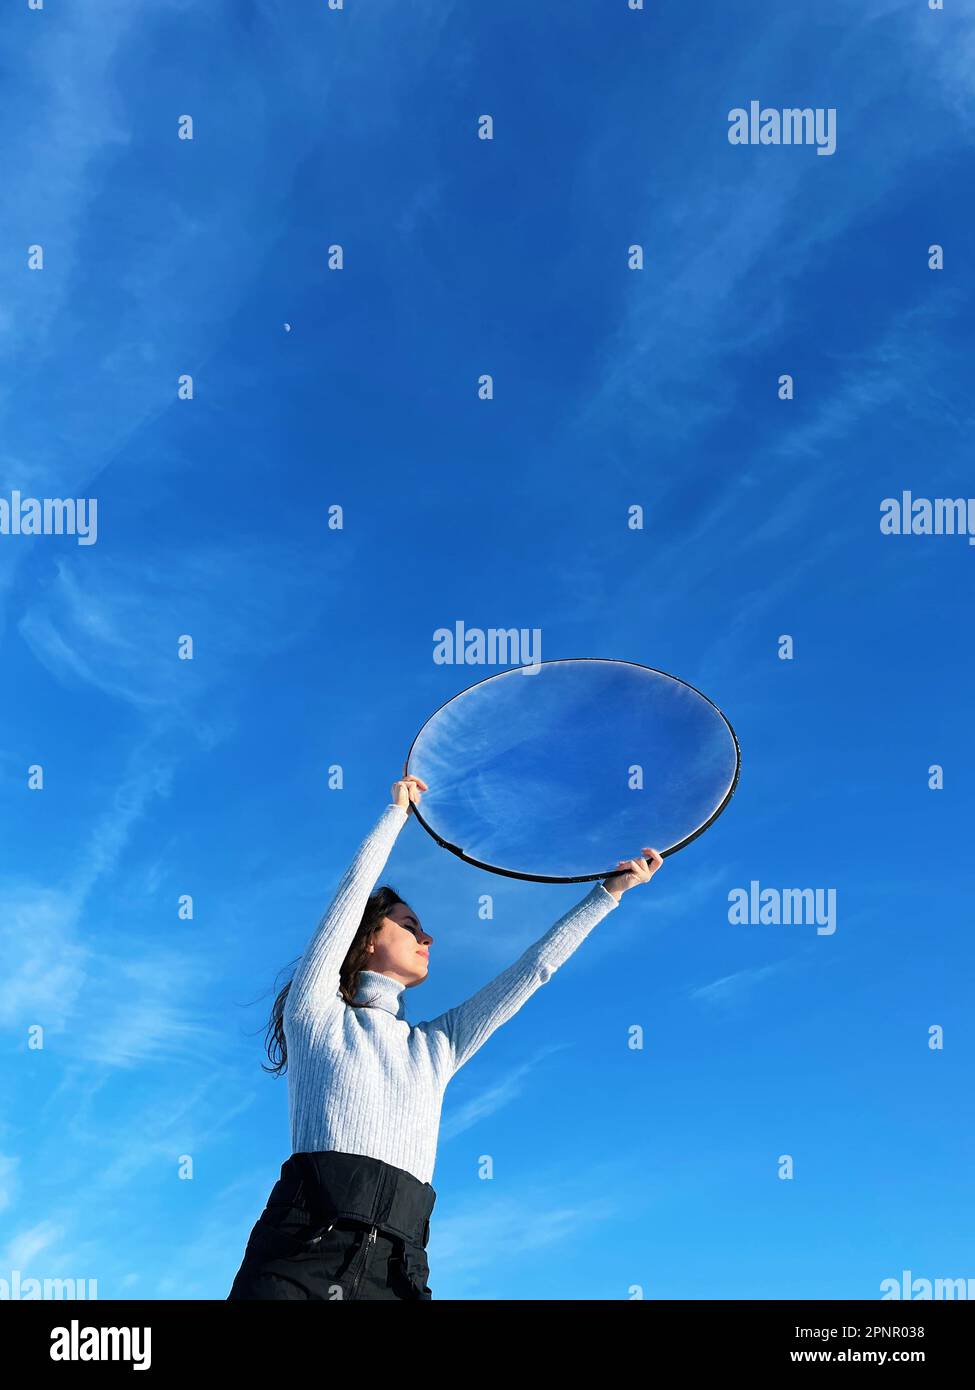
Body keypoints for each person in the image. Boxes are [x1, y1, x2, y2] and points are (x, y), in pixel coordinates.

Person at [227, 774, 663, 1300]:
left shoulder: (437, 1045)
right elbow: (347, 901)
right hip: (300, 1255)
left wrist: (609, 893)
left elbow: (534, 970)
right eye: (408, 924)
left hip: (399, 1270)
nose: (426, 936)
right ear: (366, 940)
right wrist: (396, 817)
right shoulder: (316, 1015)